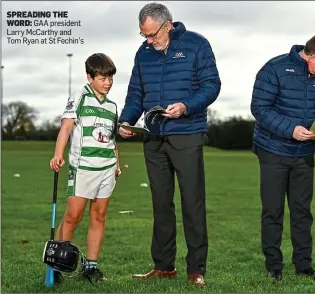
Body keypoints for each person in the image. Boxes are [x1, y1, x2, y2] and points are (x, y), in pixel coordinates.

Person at [118, 2, 221, 287]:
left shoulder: (197, 45)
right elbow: (136, 93)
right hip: (153, 138)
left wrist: (186, 106)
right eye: (144, 35)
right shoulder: (143, 53)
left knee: (192, 203)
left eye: (152, 34)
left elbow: (212, 85)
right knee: (161, 204)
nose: (148, 41)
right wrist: (126, 121)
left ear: (168, 25)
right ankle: (164, 266)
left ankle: (196, 270)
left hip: (187, 134)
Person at [250, 33, 315, 281]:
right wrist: (290, 130)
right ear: (312, 56)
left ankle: (304, 266)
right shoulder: (275, 68)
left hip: (303, 154)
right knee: (273, 211)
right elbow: (259, 108)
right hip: (272, 150)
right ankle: (274, 268)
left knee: (302, 211)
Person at [49, 53, 121, 284]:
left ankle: (91, 267)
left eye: (110, 78)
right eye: (102, 78)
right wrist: (58, 154)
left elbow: (111, 139)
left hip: (106, 167)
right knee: (72, 217)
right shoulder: (79, 96)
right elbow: (66, 128)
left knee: (99, 216)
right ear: (90, 77)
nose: (108, 82)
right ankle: (56, 264)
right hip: (83, 167)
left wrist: (117, 163)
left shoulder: (112, 106)